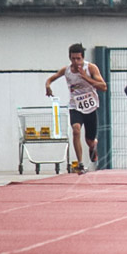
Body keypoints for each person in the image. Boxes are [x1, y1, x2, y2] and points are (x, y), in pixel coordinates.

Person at [45, 43, 108, 175]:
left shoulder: (90, 68)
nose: (76, 62)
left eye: (78, 59)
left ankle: (93, 146)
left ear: (83, 58)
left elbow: (103, 86)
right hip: (75, 106)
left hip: (90, 107)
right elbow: (52, 78)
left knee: (90, 141)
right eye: (73, 59)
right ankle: (80, 163)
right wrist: (48, 86)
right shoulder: (66, 70)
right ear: (69, 58)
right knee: (76, 130)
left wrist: (85, 77)